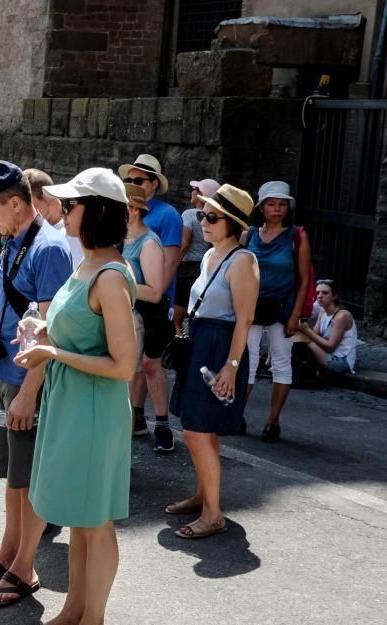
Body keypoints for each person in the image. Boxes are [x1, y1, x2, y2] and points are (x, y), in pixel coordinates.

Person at [15, 167, 138, 625]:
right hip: (72, 402)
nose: (63, 212)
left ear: (98, 212)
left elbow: (124, 365)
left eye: (71, 206)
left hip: (92, 407)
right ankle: (74, 609)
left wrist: (54, 352)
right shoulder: (86, 261)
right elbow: (79, 328)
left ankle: (94, 619)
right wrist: (43, 328)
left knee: (95, 522)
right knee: (79, 515)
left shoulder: (108, 274)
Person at [0, 161, 71, 609]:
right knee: (12, 478)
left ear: (14, 202)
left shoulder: (47, 249)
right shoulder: (14, 243)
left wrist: (29, 389)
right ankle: (8, 552)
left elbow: (49, 327)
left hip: (29, 380)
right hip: (6, 373)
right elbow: (7, 308)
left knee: (29, 481)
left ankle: (25, 568)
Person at [167, 184, 259, 539]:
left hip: (220, 346)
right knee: (199, 428)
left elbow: (244, 321)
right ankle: (204, 495)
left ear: (232, 224)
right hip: (201, 343)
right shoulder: (209, 255)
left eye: (211, 217)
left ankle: (213, 513)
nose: (202, 221)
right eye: (202, 214)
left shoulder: (243, 261)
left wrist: (231, 367)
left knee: (196, 430)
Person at [118, 154, 182, 440]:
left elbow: (169, 263)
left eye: (138, 180)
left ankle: (162, 424)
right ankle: (135, 417)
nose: (132, 183)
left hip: (151, 301)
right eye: (128, 180)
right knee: (135, 366)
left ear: (154, 183)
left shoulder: (167, 215)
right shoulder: (126, 229)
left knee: (149, 364)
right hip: (132, 303)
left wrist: (155, 298)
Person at [243, 180, 311, 443]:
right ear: (261, 208)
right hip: (252, 306)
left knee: (281, 362)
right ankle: (237, 413)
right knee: (246, 362)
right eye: (271, 204)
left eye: (282, 204)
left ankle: (273, 421)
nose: (277, 209)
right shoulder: (249, 235)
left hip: (283, 307)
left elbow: (304, 279)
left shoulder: (297, 236)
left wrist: (295, 315)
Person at [176, 179, 219, 332]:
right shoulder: (216, 219)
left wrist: (172, 267)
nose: (191, 192)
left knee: (176, 321)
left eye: (194, 189)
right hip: (206, 269)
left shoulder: (189, 214)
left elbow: (184, 244)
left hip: (187, 269)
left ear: (201, 194)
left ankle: (176, 352)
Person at [26, 168, 84, 268]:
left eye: (30, 205)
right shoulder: (32, 229)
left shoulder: (73, 233)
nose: (26, 212)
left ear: (47, 198)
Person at [298, 279, 358, 375]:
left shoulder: (342, 316)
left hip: (340, 361)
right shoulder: (322, 312)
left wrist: (306, 330)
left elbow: (330, 347)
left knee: (304, 339)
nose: (320, 296)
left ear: (334, 296)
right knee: (298, 336)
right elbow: (314, 334)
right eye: (317, 293)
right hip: (327, 354)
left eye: (325, 293)